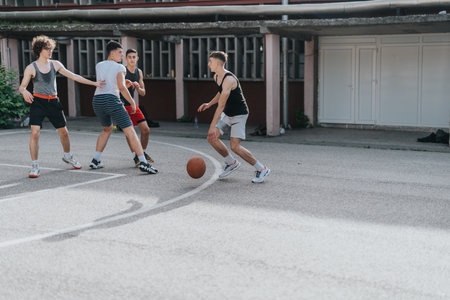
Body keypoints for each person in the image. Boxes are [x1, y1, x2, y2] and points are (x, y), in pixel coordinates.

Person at [19, 35, 104, 178]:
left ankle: (68, 156)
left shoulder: (55, 64)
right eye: (47, 49)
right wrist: (24, 91)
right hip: (38, 102)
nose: (50, 51)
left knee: (64, 133)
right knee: (35, 133)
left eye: (51, 48)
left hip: (53, 102)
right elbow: (22, 87)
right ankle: (34, 166)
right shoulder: (31, 68)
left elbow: (74, 76)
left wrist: (94, 83)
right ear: (39, 50)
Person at [197, 51, 270, 183]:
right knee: (212, 138)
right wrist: (209, 104)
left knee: (235, 146)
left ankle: (262, 168)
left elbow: (221, 105)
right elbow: (220, 94)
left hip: (239, 114)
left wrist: (212, 126)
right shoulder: (217, 77)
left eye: (211, 62)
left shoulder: (229, 79)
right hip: (228, 113)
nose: (208, 64)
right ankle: (231, 163)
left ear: (218, 63)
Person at [89, 40, 157, 174]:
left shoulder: (99, 65)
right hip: (111, 100)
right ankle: (143, 162)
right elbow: (120, 87)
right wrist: (132, 102)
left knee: (107, 129)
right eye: (120, 52)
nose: (122, 55)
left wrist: (123, 82)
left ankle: (95, 160)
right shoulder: (120, 67)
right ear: (112, 52)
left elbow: (109, 81)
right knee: (130, 131)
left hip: (97, 100)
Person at [120, 48, 154, 166]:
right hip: (121, 105)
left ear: (137, 58)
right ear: (126, 59)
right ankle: (135, 156)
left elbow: (143, 93)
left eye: (134, 57)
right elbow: (118, 87)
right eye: (129, 57)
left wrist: (138, 87)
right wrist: (125, 84)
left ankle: (142, 153)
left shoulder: (139, 72)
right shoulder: (122, 70)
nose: (132, 59)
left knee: (146, 129)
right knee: (130, 132)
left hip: (132, 104)